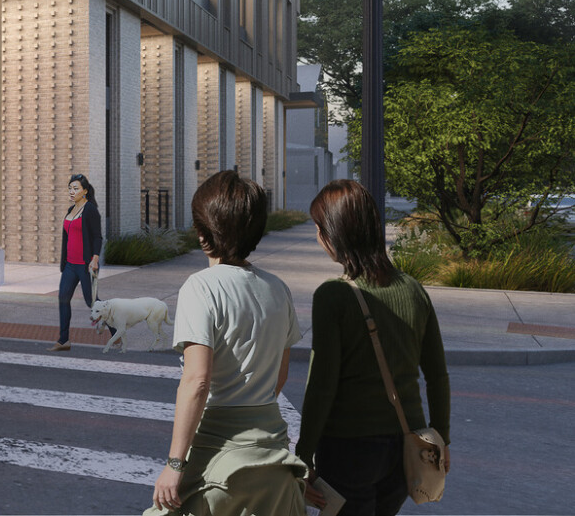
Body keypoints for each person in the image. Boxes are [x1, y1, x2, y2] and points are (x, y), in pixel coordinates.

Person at [147, 169, 307, 516]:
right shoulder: (278, 289)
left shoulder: (200, 288)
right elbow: (279, 377)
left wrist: (175, 465)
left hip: (216, 462)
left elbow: (197, 381)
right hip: (274, 461)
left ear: (203, 233)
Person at [296, 180, 451, 516]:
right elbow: (437, 375)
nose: (317, 238)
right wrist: (442, 440)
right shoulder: (413, 289)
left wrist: (303, 454)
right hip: (406, 447)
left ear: (334, 234)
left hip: (347, 449)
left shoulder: (332, 296)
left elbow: (322, 386)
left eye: (319, 229)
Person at [55, 172, 105, 350]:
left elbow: (97, 237)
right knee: (63, 299)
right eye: (70, 188)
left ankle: (115, 330)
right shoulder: (70, 210)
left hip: (84, 265)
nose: (71, 191)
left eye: (75, 188)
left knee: (92, 302)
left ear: (84, 191)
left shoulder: (90, 210)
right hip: (69, 265)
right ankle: (63, 340)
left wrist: (95, 259)